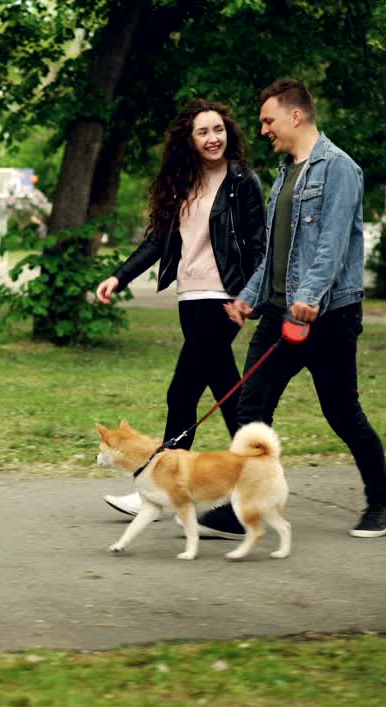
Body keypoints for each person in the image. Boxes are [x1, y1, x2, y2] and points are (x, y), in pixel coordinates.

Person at [211, 77, 386, 539]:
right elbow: (277, 255)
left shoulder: (338, 168)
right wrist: (248, 299)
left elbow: (332, 246)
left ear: (295, 116)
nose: (263, 130)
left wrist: (310, 297)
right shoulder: (285, 174)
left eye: (268, 120)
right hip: (279, 314)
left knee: (341, 411)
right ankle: (244, 509)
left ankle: (383, 503)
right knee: (249, 407)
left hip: (328, 315)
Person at [95, 98, 266, 517]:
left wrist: (249, 297)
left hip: (224, 300)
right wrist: (119, 276)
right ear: (188, 140)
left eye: (218, 129)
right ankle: (251, 479)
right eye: (203, 132)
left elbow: (260, 246)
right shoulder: (181, 183)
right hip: (190, 299)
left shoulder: (243, 181)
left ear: (229, 132)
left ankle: (162, 489)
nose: (213, 138)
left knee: (187, 391)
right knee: (217, 391)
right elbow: (157, 241)